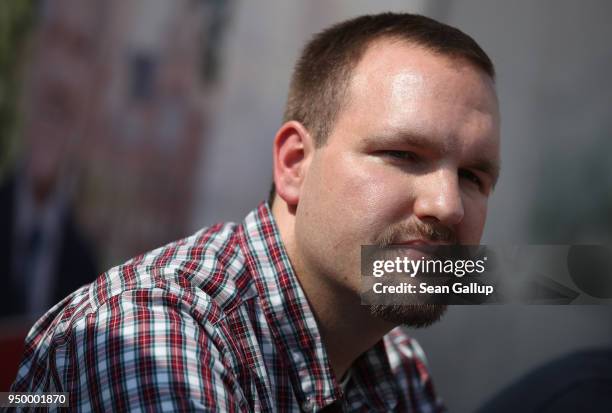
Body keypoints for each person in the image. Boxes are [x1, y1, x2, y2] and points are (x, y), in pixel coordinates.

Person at [11, 13, 500, 412]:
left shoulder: (396, 368)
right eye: (403, 155)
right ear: (294, 165)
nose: (447, 205)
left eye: (473, 177)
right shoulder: (154, 330)